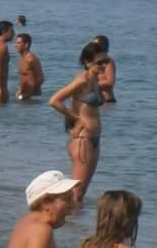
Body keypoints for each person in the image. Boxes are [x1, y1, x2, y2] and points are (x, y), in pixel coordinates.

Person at [49, 41, 109, 202]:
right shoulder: (82, 80)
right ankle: (66, 222)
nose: (104, 65)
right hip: (83, 140)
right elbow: (54, 100)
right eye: (100, 62)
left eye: (106, 61)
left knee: (81, 192)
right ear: (87, 62)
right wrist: (76, 119)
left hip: (93, 139)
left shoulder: (95, 79)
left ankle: (75, 226)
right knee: (76, 192)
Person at [7, 170, 80, 248]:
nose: (73, 205)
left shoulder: (24, 223)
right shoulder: (41, 230)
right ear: (46, 203)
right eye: (67, 199)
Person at [15, 33, 44, 100]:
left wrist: (29, 94)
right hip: (25, 96)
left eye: (19, 43)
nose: (16, 45)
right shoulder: (22, 58)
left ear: (26, 45)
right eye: (16, 43)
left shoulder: (31, 59)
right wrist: (20, 90)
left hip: (33, 97)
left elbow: (41, 78)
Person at [93, 35, 117, 103]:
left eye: (95, 45)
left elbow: (110, 82)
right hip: (95, 101)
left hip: (107, 101)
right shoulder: (93, 62)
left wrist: (91, 85)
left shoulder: (108, 61)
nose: (92, 46)